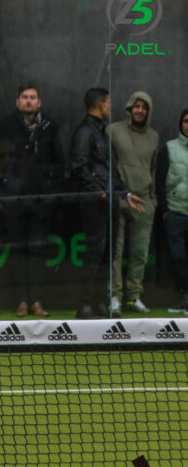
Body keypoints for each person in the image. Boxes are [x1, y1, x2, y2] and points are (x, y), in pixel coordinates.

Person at [0, 82, 65, 317]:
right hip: (14, 199)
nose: (28, 101)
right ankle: (21, 301)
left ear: (39, 102)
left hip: (40, 200)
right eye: (24, 97)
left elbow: (59, 162)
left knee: (38, 251)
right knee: (18, 251)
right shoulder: (3, 126)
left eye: (32, 97)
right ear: (17, 101)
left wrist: (52, 192)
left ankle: (37, 301)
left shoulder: (50, 126)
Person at [69, 87, 146, 319]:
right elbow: (78, 167)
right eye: (108, 103)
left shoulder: (103, 133)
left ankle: (101, 303)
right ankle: (84, 306)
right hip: (95, 204)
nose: (110, 107)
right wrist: (100, 193)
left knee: (108, 254)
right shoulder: (84, 132)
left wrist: (126, 193)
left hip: (111, 202)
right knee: (95, 253)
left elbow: (112, 171)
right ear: (101, 104)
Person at [107, 91, 159, 315]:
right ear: (129, 108)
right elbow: (106, 165)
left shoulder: (154, 136)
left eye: (144, 107)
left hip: (144, 200)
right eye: (136, 106)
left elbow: (154, 169)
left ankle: (134, 296)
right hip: (120, 198)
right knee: (115, 253)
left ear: (148, 111)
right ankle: (115, 297)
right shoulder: (113, 130)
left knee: (139, 253)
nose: (140, 110)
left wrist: (153, 200)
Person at [156, 108, 188, 313]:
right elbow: (159, 180)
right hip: (175, 212)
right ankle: (185, 296)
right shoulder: (169, 148)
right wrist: (165, 210)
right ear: (181, 124)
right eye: (186, 121)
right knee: (178, 257)